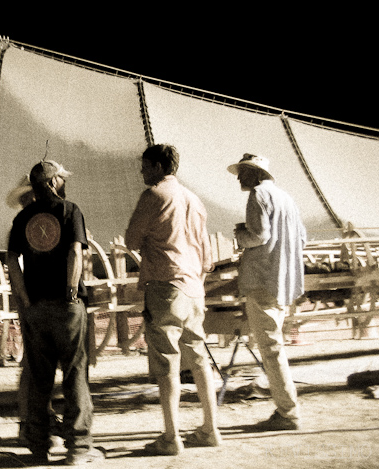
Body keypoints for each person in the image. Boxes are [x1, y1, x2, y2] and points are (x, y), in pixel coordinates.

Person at [125, 144, 220, 455]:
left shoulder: (154, 195)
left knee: (166, 363)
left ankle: (171, 436)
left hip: (165, 284)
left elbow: (131, 240)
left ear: (156, 166)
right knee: (199, 358)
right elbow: (207, 254)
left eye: (144, 166)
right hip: (194, 286)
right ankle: (210, 428)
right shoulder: (194, 199)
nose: (141, 172)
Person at [6, 159, 102, 465]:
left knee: (39, 378)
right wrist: (72, 291)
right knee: (74, 373)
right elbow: (75, 251)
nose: (62, 182)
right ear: (51, 183)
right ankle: (78, 448)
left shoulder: (22, 218)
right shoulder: (70, 210)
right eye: (59, 178)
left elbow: (11, 261)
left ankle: (38, 446)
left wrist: (24, 297)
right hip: (67, 306)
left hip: (36, 307)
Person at [228, 153, 305, 431]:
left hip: (262, 282)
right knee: (274, 347)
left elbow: (259, 236)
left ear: (254, 173)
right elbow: (302, 238)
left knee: (271, 350)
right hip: (283, 283)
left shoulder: (258, 195)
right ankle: (287, 409)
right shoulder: (286, 198)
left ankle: (288, 412)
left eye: (242, 172)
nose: (238, 177)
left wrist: (240, 235)